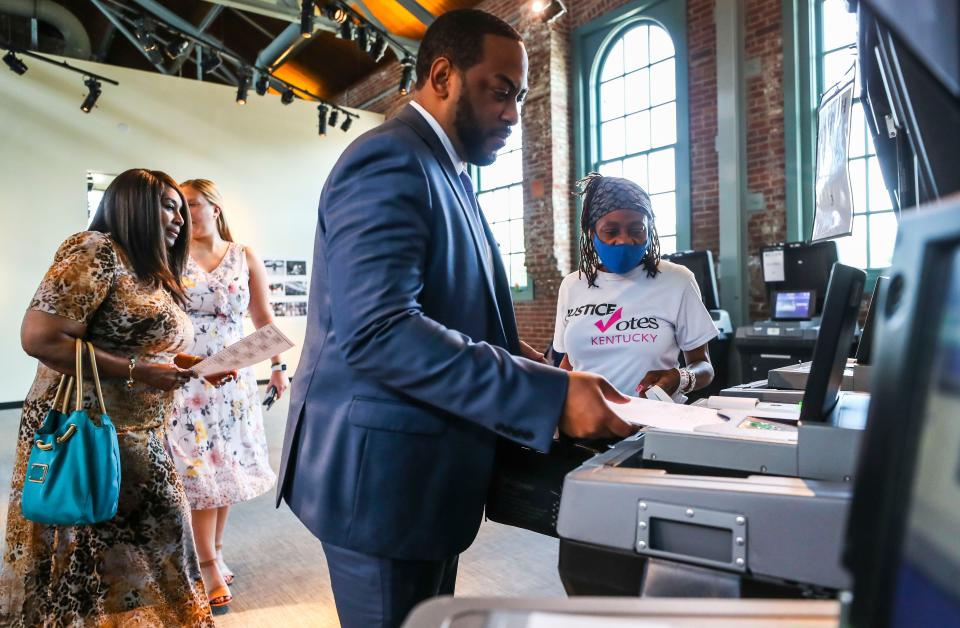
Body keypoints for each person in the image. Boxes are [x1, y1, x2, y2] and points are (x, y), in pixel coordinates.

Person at [276, 9, 634, 628]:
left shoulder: (446, 169)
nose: (514, 115)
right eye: (500, 92)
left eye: (520, 97)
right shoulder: (389, 160)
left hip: (424, 475)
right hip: (379, 484)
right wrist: (545, 395)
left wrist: (534, 363)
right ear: (442, 75)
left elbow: (450, 309)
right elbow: (379, 331)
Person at [0, 169, 216, 626]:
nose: (178, 217)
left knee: (138, 546)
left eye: (181, 207)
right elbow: (42, 338)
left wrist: (183, 365)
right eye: (166, 204)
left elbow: (133, 342)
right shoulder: (96, 250)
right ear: (130, 204)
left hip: (142, 431)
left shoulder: (148, 270)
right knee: (86, 547)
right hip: (88, 427)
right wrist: (139, 370)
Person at [166, 178, 288, 611]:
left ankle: (214, 553)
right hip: (189, 378)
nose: (183, 214)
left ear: (215, 208)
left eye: (193, 205)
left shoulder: (244, 256)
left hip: (235, 383)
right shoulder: (169, 256)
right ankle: (207, 563)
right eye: (178, 206)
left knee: (228, 470)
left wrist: (276, 367)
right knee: (200, 473)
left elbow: (262, 317)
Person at [554, 174, 717, 400]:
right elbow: (570, 363)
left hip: (654, 425)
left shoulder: (677, 280)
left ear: (650, 230)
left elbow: (704, 367)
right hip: (588, 424)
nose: (624, 240)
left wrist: (681, 377)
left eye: (636, 230)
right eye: (611, 232)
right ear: (592, 233)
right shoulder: (573, 285)